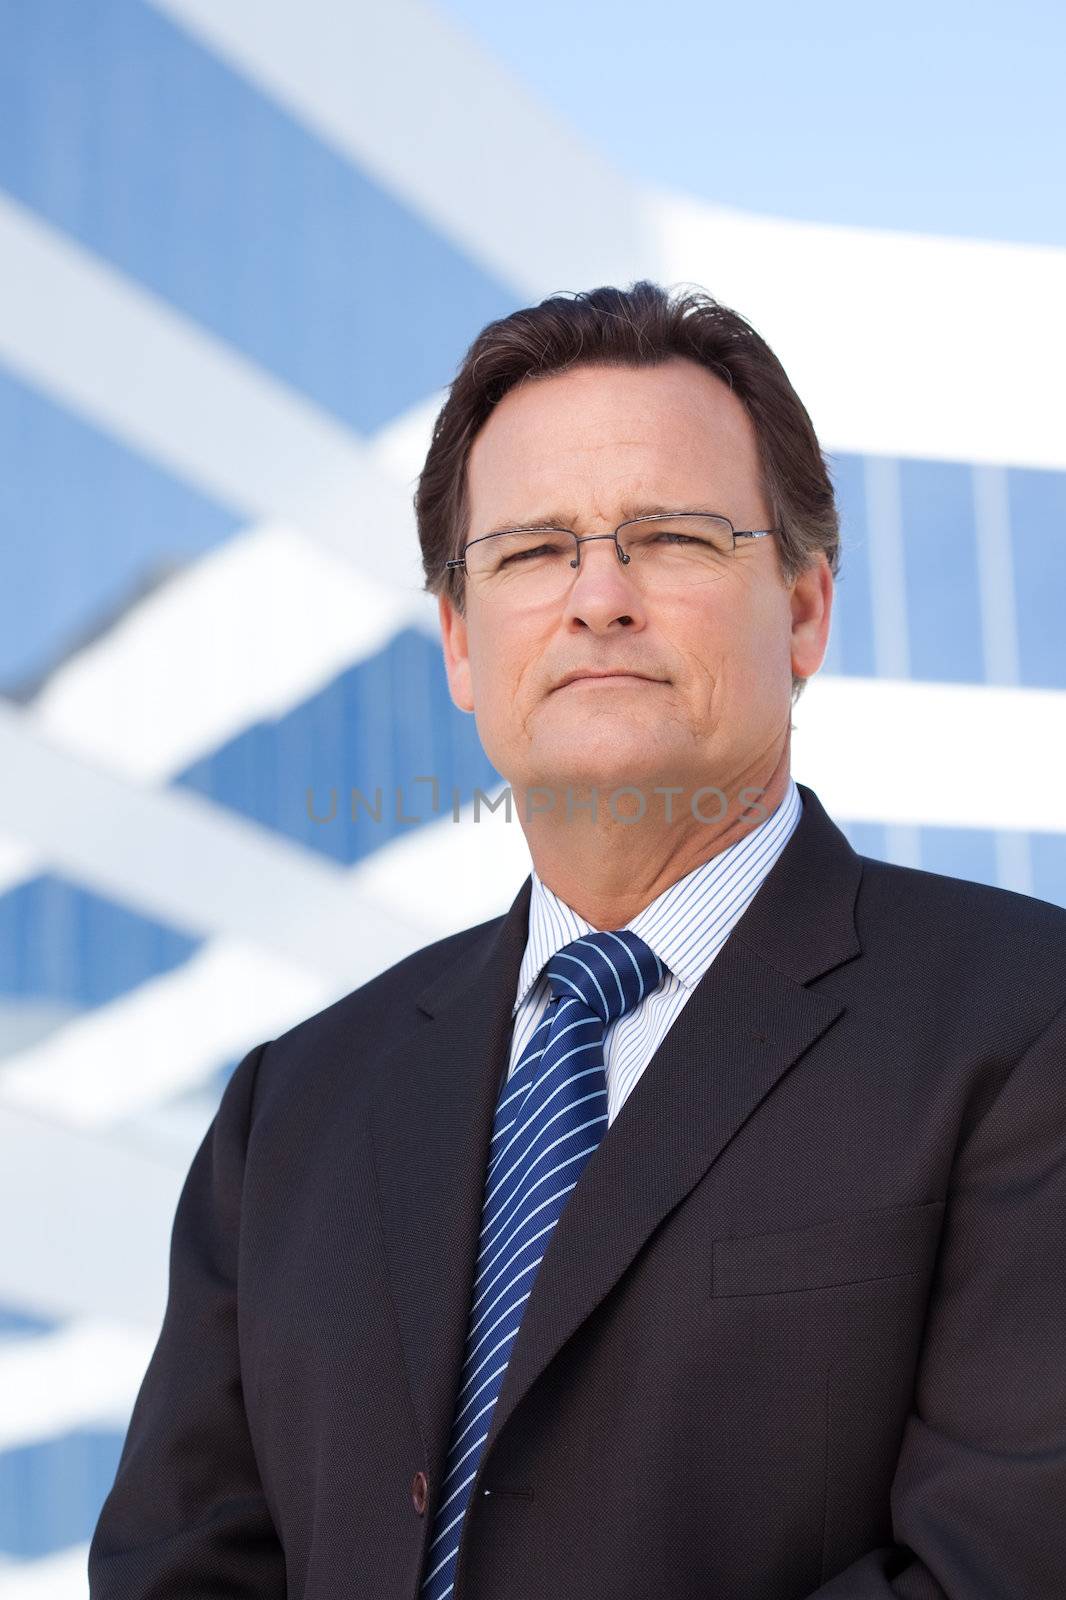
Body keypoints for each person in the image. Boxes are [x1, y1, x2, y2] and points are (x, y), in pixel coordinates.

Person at [88, 282, 1066, 1600]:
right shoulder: (292, 1108)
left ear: (802, 610)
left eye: (668, 536)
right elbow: (179, 1567)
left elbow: (1002, 1566)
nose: (596, 597)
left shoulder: (1021, 1023)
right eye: (534, 548)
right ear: (458, 640)